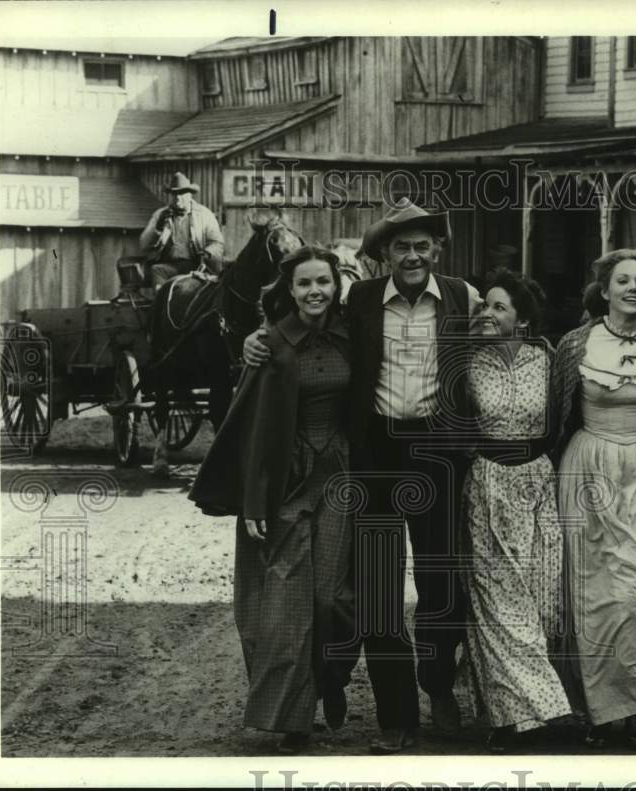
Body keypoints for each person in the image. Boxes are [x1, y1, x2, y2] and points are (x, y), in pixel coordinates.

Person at [243, 198, 482, 754]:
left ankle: (439, 685)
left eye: (423, 245)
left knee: (442, 585)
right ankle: (397, 718)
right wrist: (260, 339)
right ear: (382, 256)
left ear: (438, 251)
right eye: (401, 246)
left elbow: (505, 332)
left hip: (438, 453)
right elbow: (308, 320)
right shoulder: (363, 300)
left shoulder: (461, 298)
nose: (413, 255)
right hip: (374, 455)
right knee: (377, 591)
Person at [189, 246, 356, 755]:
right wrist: (255, 503)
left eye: (322, 282)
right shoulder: (272, 344)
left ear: (336, 285)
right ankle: (293, 720)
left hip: (342, 481)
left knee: (332, 598)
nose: (314, 292)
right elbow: (256, 428)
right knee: (286, 603)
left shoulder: (354, 334)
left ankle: (329, 678)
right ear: (289, 290)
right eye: (303, 283)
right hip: (288, 482)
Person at [551, 249, 636, 750]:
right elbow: (554, 416)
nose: (633, 289)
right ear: (603, 290)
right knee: (594, 596)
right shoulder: (576, 343)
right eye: (622, 281)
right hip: (587, 471)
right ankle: (602, 711)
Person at [460, 268, 572, 754]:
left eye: (499, 306)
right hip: (487, 484)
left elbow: (569, 415)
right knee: (495, 605)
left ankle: (542, 704)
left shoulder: (549, 361)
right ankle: (508, 719)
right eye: (483, 304)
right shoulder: (464, 363)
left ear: (523, 321)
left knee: (542, 599)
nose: (487, 312)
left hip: (539, 483)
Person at [139, 172, 225, 289]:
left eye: (182, 193)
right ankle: (163, 305)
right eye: (174, 194)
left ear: (190, 194)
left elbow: (217, 243)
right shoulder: (161, 215)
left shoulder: (204, 215)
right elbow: (144, 245)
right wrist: (158, 229)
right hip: (170, 266)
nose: (178, 198)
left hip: (196, 265)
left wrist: (207, 252)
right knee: (156, 271)